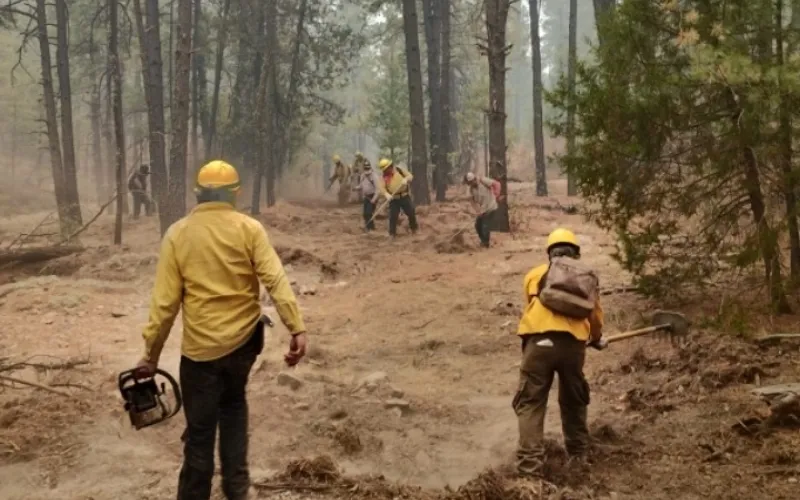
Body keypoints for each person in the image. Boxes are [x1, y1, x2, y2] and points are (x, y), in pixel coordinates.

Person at [136, 160, 308, 500]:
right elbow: (275, 279)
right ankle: (237, 489)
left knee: (200, 434)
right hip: (243, 346)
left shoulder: (178, 234)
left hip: (199, 355)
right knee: (233, 406)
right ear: (234, 194)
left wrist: (150, 355)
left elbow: (165, 305)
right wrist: (296, 327)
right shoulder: (249, 229)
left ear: (198, 193)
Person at [513, 228, 603, 477]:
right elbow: (595, 316)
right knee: (574, 399)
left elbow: (530, 308)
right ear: (576, 253)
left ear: (549, 252)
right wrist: (597, 339)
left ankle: (529, 469)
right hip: (573, 347)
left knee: (531, 402)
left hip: (538, 345)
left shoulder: (534, 275)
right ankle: (578, 456)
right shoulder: (586, 278)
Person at [378, 158, 418, 237]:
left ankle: (414, 229)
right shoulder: (384, 177)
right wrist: (386, 194)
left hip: (404, 196)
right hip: (394, 199)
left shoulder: (399, 170)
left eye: (386, 168)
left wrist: (406, 179)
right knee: (393, 216)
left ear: (390, 166)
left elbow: (410, 176)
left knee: (411, 213)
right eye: (384, 170)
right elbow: (381, 188)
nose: (386, 171)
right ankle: (392, 234)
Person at [464, 172, 499, 248]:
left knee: (485, 225)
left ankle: (485, 244)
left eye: (471, 182)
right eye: (469, 183)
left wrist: (496, 193)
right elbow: (472, 202)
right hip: (483, 209)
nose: (470, 184)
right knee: (477, 225)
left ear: (474, 179)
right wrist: (478, 211)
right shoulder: (470, 189)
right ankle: (483, 241)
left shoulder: (483, 181)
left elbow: (497, 184)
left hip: (491, 206)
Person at [359, 160, 380, 231]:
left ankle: (369, 228)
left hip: (373, 196)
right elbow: (361, 185)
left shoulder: (374, 176)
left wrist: (374, 199)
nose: (367, 169)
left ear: (370, 167)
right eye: (365, 168)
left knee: (369, 212)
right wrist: (356, 188)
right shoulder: (362, 175)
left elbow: (378, 189)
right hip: (366, 196)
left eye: (368, 167)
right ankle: (371, 227)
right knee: (365, 214)